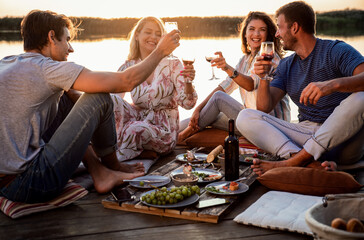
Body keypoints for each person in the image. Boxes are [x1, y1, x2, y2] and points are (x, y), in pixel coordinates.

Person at [0, 10, 180, 203]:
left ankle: (99, 172)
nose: (71, 49)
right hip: (31, 183)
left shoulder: (7, 63)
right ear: (52, 37)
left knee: (68, 95)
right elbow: (126, 81)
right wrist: (161, 51)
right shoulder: (48, 69)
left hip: (6, 183)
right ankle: (112, 167)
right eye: (67, 40)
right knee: (100, 97)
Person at [236, 1, 364, 176]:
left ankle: (297, 160)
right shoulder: (287, 65)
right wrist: (263, 76)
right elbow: (264, 107)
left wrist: (332, 85)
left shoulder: (336, 50)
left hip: (343, 140)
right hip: (306, 134)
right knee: (245, 116)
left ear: (294, 27)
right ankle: (303, 160)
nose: (277, 34)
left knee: (361, 98)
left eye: (279, 27)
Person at [178, 11, 290, 142]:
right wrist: (198, 108)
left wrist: (227, 68)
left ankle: (182, 137)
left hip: (269, 125)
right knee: (197, 116)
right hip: (248, 119)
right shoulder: (245, 60)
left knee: (218, 99)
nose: (256, 34)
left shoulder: (270, 59)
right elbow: (224, 87)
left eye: (262, 30)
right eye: (252, 29)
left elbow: (250, 85)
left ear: (269, 34)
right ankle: (177, 134)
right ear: (245, 34)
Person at [111, 17, 197, 162]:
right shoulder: (128, 66)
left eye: (158, 34)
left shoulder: (173, 63)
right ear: (137, 35)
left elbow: (188, 104)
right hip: (137, 121)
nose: (153, 37)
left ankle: (115, 164)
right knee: (110, 101)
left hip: (164, 132)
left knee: (135, 129)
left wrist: (188, 82)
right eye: (149, 32)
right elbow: (114, 101)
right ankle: (118, 149)